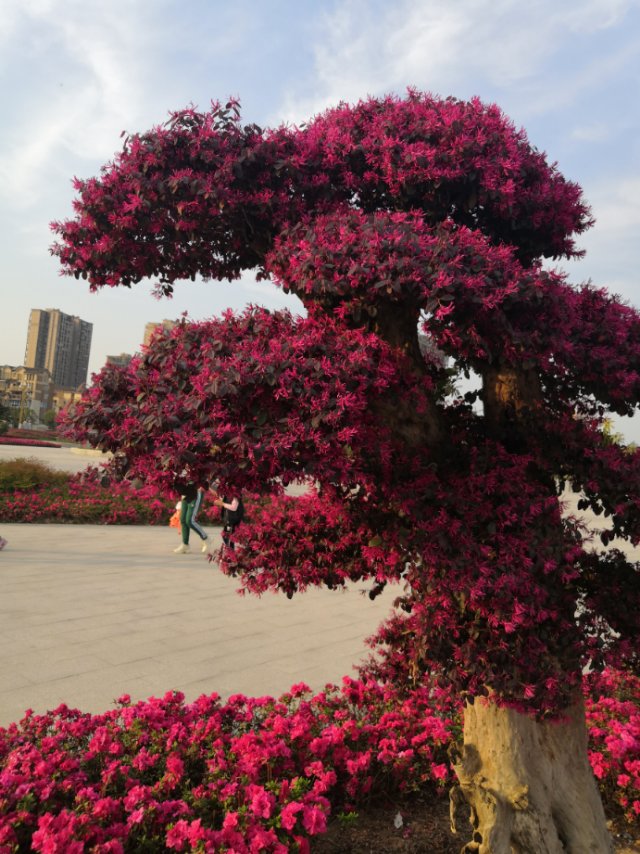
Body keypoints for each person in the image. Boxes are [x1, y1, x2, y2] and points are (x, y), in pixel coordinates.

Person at [173, 480, 211, 555]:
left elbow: (205, 476)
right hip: (185, 493)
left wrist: (203, 486)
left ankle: (205, 538)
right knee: (183, 520)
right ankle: (185, 544)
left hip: (195, 493)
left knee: (189, 520)